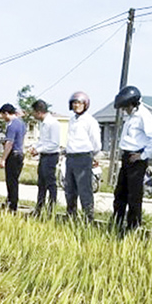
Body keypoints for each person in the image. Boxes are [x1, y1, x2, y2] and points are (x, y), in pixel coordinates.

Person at [112, 85, 152, 231]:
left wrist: (143, 155)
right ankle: (117, 223)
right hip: (127, 157)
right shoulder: (132, 117)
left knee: (134, 196)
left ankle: (133, 227)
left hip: (136, 159)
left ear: (132, 104)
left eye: (125, 107)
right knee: (120, 193)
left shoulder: (143, 115)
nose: (124, 110)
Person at [64, 92, 101, 220]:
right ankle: (71, 215)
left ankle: (88, 218)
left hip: (83, 157)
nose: (76, 105)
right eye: (74, 103)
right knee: (69, 189)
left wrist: (92, 156)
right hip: (70, 157)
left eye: (79, 103)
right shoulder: (72, 120)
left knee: (84, 189)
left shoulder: (90, 121)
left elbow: (96, 142)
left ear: (85, 104)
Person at [29, 100, 60, 215]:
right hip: (44, 155)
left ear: (39, 112)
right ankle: (39, 208)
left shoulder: (53, 123)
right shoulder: (43, 123)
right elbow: (42, 141)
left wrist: (38, 149)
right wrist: (35, 147)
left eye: (34, 112)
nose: (33, 114)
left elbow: (54, 144)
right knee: (41, 183)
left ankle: (51, 209)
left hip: (51, 156)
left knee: (50, 183)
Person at [0, 103, 26, 211]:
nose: (2, 118)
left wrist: (3, 159)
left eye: (2, 115)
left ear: (6, 113)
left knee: (11, 181)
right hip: (20, 154)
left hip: (13, 155)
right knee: (14, 180)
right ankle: (12, 201)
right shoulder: (21, 123)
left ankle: (12, 204)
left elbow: (9, 143)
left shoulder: (12, 125)